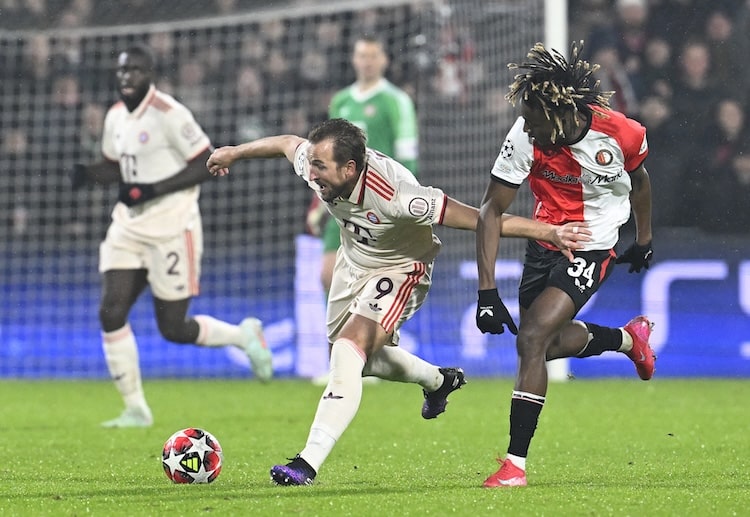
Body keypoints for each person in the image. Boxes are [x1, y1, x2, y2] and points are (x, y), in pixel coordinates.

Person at [206, 117, 592, 485]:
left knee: (348, 349)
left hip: (402, 268)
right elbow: (286, 143)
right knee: (360, 361)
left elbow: (482, 219)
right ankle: (439, 380)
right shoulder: (314, 164)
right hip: (352, 263)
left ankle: (306, 463)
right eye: (313, 163)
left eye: (321, 166)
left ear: (350, 169)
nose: (313, 172)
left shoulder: (398, 197)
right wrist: (234, 153)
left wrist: (549, 232)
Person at [475, 42, 656, 488]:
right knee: (542, 345)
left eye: (534, 121)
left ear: (562, 114)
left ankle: (515, 466)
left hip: (594, 244)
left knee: (532, 337)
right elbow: (490, 211)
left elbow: (640, 181)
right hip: (544, 241)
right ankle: (626, 340)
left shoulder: (621, 134)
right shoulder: (524, 136)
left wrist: (644, 239)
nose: (527, 128)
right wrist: (487, 291)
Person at [71, 44, 273, 428]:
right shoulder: (115, 116)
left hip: (172, 228)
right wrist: (88, 173)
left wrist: (151, 189)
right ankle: (135, 409)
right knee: (111, 310)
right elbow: (117, 167)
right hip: (128, 227)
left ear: (150, 74)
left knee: (173, 328)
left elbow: (205, 162)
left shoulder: (169, 114)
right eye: (122, 70)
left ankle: (243, 335)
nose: (127, 76)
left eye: (135, 70)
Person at [308, 35, 420, 385]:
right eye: (361, 55)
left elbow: (407, 154)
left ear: (383, 60)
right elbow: (323, 159)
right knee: (328, 274)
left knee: (371, 280)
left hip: (378, 204)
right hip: (340, 204)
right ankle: (338, 362)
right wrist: (316, 203)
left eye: (373, 55)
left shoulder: (396, 101)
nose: (367, 61)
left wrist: (403, 203)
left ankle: (363, 356)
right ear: (354, 59)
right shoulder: (341, 100)